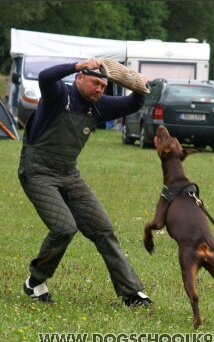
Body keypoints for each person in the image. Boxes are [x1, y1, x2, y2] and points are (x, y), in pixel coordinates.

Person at [18, 57, 153, 307]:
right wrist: (76, 65)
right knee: (64, 228)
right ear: (80, 78)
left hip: (69, 174)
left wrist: (140, 85)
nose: (99, 90)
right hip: (37, 172)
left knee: (103, 229)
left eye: (103, 87)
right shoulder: (59, 95)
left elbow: (133, 104)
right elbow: (46, 77)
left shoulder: (98, 104)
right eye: (94, 84)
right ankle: (35, 281)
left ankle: (132, 293)